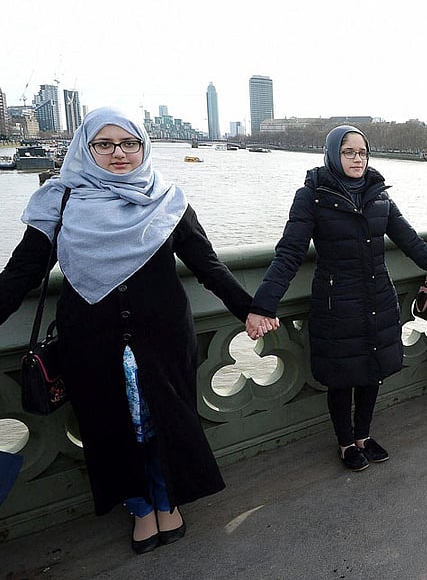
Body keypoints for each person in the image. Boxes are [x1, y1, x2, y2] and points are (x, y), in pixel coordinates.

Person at [0, 107, 253, 554]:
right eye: (105, 144)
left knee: (164, 422)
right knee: (108, 426)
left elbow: (207, 264)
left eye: (129, 143)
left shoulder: (168, 199)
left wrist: (249, 309)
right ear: (86, 148)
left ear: (144, 146)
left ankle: (165, 498)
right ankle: (139, 507)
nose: (119, 153)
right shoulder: (60, 202)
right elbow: (21, 273)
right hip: (91, 343)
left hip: (164, 338)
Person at [245, 126, 427, 472]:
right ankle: (346, 443)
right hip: (336, 304)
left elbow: (412, 243)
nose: (358, 159)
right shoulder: (312, 195)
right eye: (349, 152)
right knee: (343, 377)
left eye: (362, 152)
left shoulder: (378, 194)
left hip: (377, 298)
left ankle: (364, 436)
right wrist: (262, 306)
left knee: (372, 372)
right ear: (332, 154)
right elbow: (289, 254)